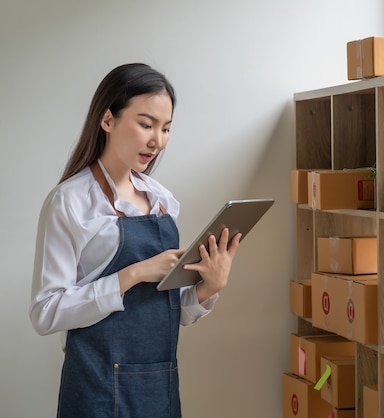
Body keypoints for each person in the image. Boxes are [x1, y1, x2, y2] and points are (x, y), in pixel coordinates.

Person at [29, 63, 242, 418]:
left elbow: (169, 311)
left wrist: (209, 287)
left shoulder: (162, 200)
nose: (157, 140)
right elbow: (45, 313)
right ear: (107, 119)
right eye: (146, 124)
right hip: (96, 389)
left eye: (166, 128)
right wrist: (132, 274)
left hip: (159, 385)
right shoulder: (70, 201)